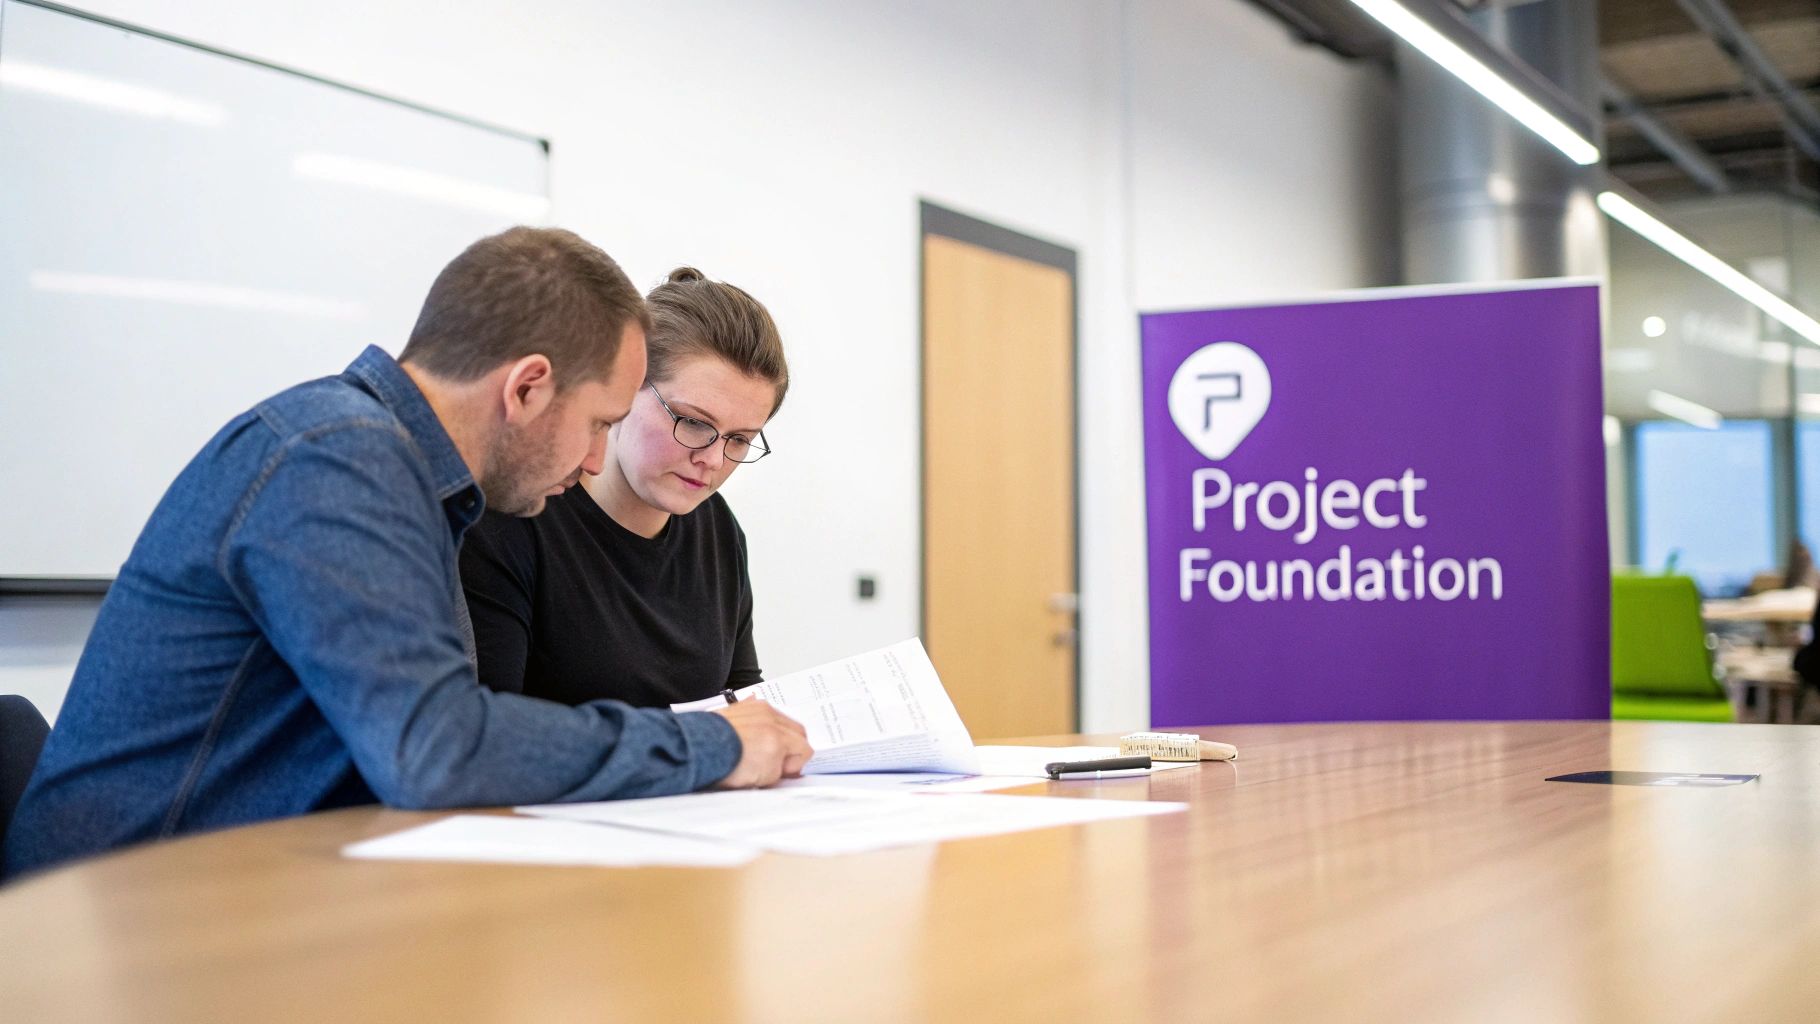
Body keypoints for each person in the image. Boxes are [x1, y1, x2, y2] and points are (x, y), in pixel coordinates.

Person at [3, 229, 811, 880]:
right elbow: (440, 749)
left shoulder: (413, 481)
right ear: (527, 388)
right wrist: (717, 744)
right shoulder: (336, 460)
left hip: (254, 885)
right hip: (121, 916)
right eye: (600, 422)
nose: (597, 460)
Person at [461, 267, 786, 708]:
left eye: (740, 439)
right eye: (693, 423)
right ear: (625, 387)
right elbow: (490, 739)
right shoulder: (516, 511)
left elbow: (740, 701)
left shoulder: (718, 529)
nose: (712, 459)